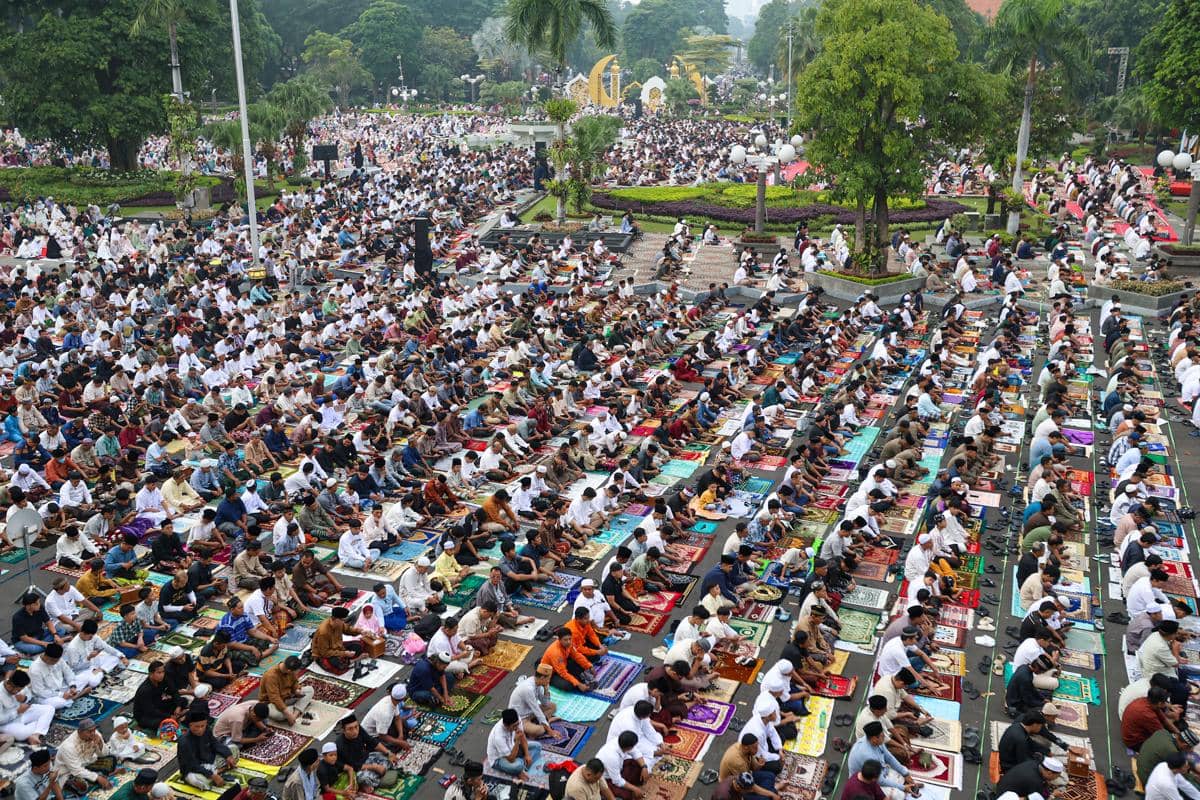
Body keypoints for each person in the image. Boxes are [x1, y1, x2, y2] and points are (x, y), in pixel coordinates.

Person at [177, 710, 237, 790]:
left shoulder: (207, 731)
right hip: (194, 768)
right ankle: (218, 772)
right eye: (197, 727)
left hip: (210, 762)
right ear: (190, 726)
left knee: (233, 749)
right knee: (201, 782)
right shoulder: (184, 742)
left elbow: (215, 744)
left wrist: (228, 755)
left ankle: (217, 771)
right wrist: (211, 775)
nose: (201, 729)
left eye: (203, 726)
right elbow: (191, 765)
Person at [53, 719, 113, 794]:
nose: (93, 733)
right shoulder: (68, 747)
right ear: (79, 732)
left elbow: (105, 754)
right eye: (89, 731)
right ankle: (71, 783)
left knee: (111, 760)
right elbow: (76, 770)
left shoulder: (95, 735)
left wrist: (100, 743)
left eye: (94, 730)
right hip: (70, 772)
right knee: (83, 787)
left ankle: (95, 777)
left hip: (87, 764)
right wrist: (98, 778)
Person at [486, 708, 542, 779]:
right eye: (514, 726)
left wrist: (527, 755)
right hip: (499, 758)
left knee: (537, 746)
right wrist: (517, 741)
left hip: (513, 747)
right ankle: (520, 768)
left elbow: (523, 737)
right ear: (506, 725)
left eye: (517, 724)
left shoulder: (517, 720)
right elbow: (511, 759)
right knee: (517, 766)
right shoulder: (498, 736)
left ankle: (522, 766)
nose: (516, 727)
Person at [132, 660, 187, 733]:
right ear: (151, 674)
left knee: (183, 701)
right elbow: (150, 710)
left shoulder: (164, 679)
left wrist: (178, 706)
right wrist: (168, 716)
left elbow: (174, 692)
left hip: (159, 704)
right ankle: (175, 717)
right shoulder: (145, 690)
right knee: (158, 723)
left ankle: (175, 716)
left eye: (163, 672)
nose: (162, 675)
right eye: (159, 673)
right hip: (146, 714)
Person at [260, 655, 314, 725]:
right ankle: (298, 708)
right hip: (271, 702)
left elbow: (295, 682)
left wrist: (296, 690)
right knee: (278, 715)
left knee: (310, 690)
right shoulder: (271, 676)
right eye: (296, 671)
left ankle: (294, 715)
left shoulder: (289, 670)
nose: (296, 673)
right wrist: (287, 712)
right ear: (289, 671)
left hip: (287, 696)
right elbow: (274, 698)